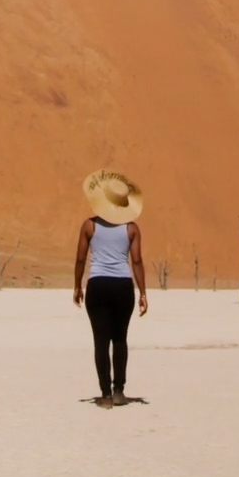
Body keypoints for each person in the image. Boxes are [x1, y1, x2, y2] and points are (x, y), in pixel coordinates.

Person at [71, 168, 148, 406]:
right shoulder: (131, 229)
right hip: (123, 286)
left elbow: (81, 259)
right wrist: (143, 292)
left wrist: (77, 286)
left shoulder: (89, 226)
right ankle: (119, 391)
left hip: (98, 284)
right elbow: (136, 261)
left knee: (101, 340)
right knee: (120, 339)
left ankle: (104, 395)